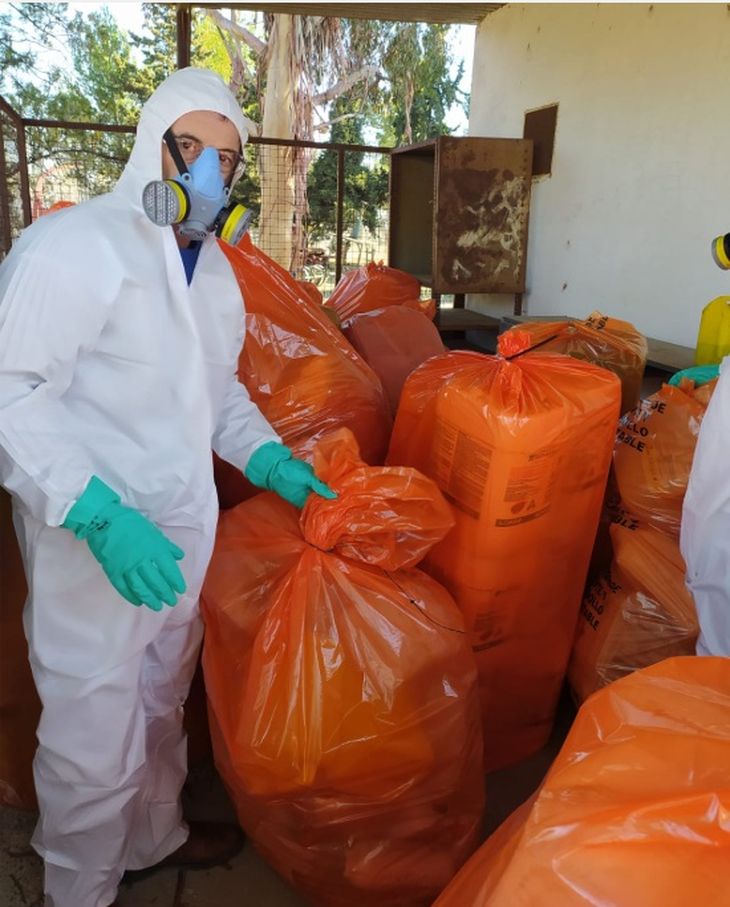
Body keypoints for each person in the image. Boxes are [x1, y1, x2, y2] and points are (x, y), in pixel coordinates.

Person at [0, 67, 335, 907]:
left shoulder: (215, 274)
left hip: (180, 531)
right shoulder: (77, 246)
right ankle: (78, 889)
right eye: (190, 149)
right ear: (148, 147)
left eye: (226, 158)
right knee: (93, 730)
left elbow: (216, 393)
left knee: (158, 700)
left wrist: (269, 460)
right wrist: (96, 513)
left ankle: (152, 838)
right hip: (94, 541)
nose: (206, 178)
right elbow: (10, 388)